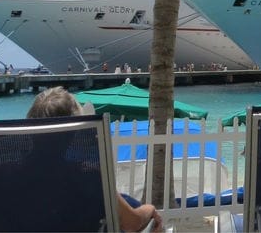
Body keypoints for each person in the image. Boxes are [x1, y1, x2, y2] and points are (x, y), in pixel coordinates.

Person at [27, 87, 162, 233]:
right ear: (73, 134)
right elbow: (132, 223)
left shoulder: (10, 173)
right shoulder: (88, 177)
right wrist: (149, 209)